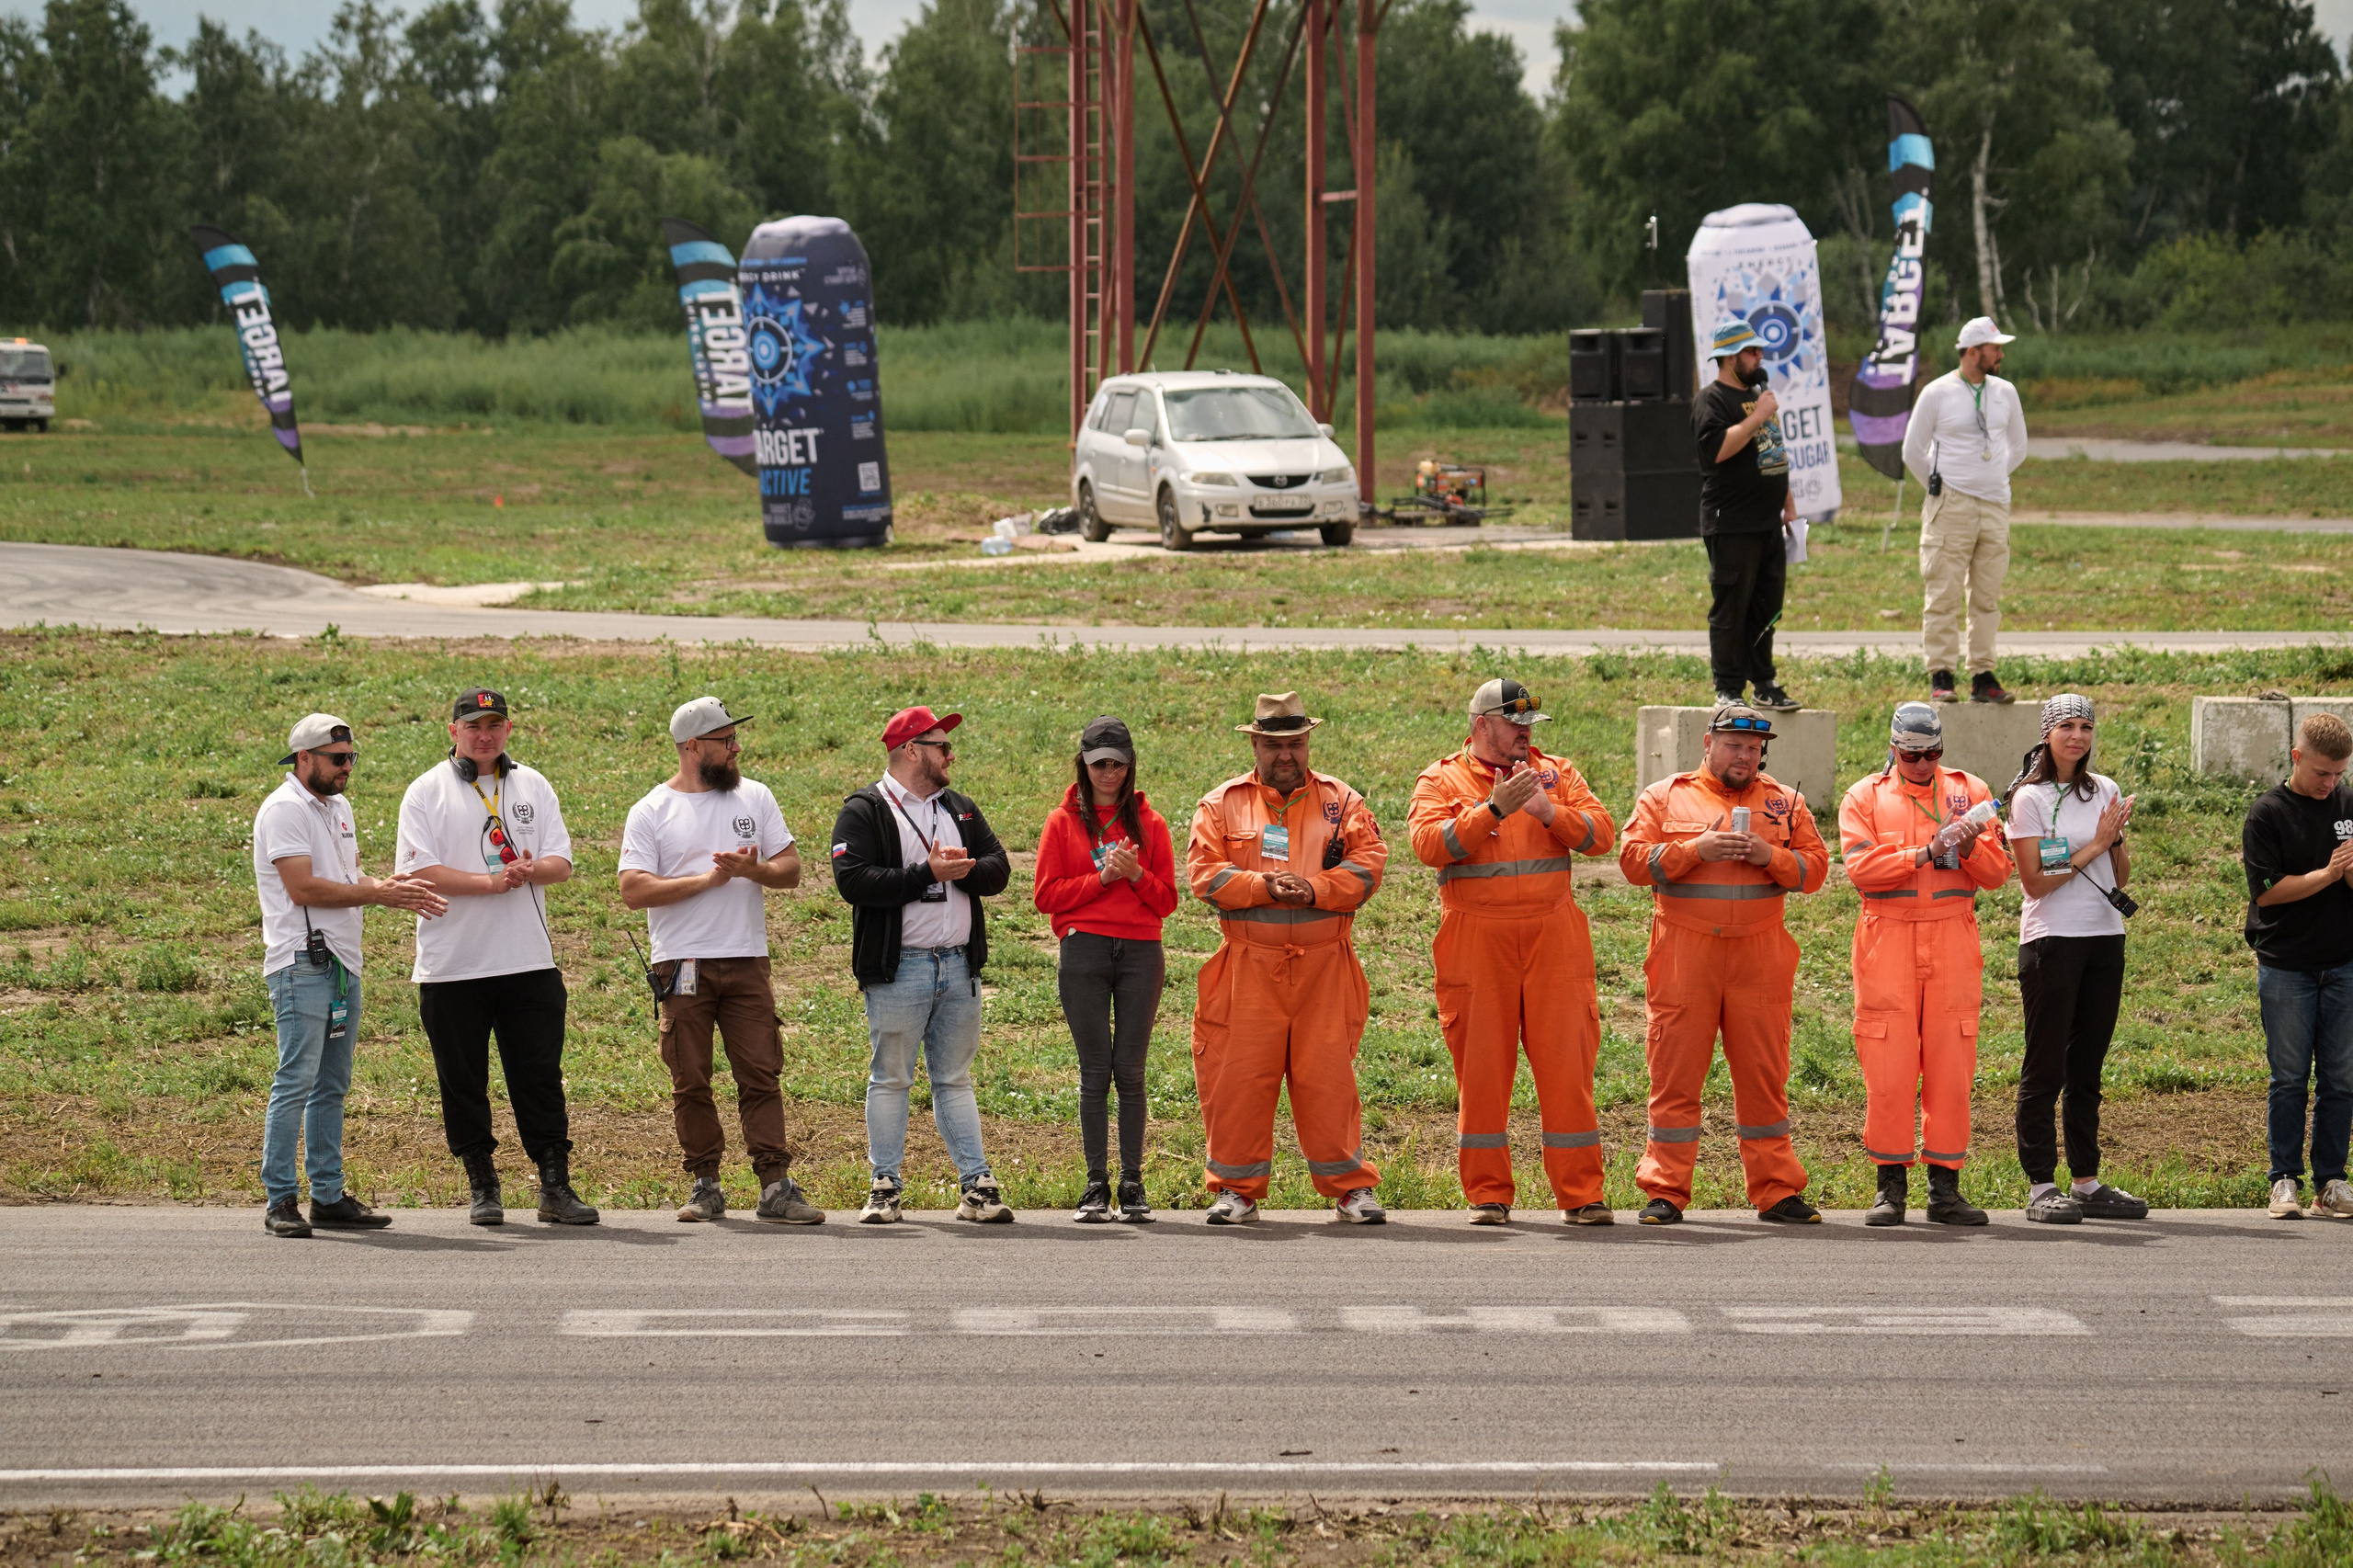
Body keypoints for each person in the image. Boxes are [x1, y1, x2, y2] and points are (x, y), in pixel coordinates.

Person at [1407, 678, 1619, 1224]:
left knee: (1567, 1068)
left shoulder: (1560, 774)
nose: (1526, 734)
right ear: (1481, 726)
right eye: (1514, 725)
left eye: (1531, 726)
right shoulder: (1441, 778)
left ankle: (1582, 1195)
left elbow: (1602, 836)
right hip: (1476, 940)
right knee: (1481, 1071)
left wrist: (1552, 814)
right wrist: (1492, 810)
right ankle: (1488, 1194)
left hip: (1555, 937)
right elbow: (1429, 846)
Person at [394, 687, 597, 1227]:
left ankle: (555, 1184)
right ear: (453, 732)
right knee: (462, 1080)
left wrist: (531, 872)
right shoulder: (425, 792)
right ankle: (482, 1184)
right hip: (453, 966)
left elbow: (562, 863)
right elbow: (418, 873)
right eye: (473, 726)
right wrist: (491, 883)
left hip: (528, 961)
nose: (484, 735)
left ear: (508, 730)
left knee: (538, 1077)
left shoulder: (532, 784)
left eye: (495, 725)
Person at [1188, 691, 1390, 1226]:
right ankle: (1236, 1190)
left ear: (1308, 743)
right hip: (1247, 967)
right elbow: (1204, 876)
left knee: (1328, 1079)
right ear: (1254, 743)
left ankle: (1350, 1188)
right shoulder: (1220, 804)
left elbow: (1370, 864)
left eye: (1295, 744)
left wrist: (1316, 889)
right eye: (1274, 745)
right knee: (1239, 1077)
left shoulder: (1341, 801)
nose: (1286, 755)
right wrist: (1262, 886)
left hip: (1326, 966)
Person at [1620, 703, 1827, 1225]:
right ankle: (1665, 1190)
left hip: (1761, 954)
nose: (1746, 756)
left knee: (1764, 1076)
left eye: (1755, 749)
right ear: (1708, 744)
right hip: (1684, 952)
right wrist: (1695, 849)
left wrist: (1769, 857)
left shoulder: (1784, 802)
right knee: (1675, 1074)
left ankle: (1777, 1190)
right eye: (1735, 745)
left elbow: (1816, 870)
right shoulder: (1665, 795)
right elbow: (1630, 862)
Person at [619, 697, 821, 1226]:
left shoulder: (755, 797)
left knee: (760, 1073)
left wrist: (752, 873)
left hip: (747, 960)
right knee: (691, 1078)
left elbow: (792, 868)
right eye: (725, 741)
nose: (736, 749)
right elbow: (633, 888)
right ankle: (705, 1184)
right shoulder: (651, 810)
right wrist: (707, 881)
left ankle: (775, 1185)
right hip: (681, 965)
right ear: (692, 747)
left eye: (735, 739)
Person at [252, 713, 448, 1237]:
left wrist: (388, 886)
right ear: (304, 759)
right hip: (301, 962)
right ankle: (280, 1199)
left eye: (351, 758)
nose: (346, 768)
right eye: (337, 759)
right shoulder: (284, 810)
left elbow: (345, 877)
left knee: (331, 1084)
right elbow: (304, 888)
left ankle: (328, 1195)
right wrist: (378, 892)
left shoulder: (339, 808)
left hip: (339, 961)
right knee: (296, 1080)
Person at [830, 705, 1016, 1225]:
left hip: (957, 965)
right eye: (939, 744)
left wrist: (966, 870)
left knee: (954, 1079)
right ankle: (884, 1186)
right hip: (899, 968)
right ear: (911, 750)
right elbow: (854, 881)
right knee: (891, 1078)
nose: (949, 752)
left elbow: (999, 867)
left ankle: (976, 1187)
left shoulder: (959, 807)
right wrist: (924, 874)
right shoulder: (865, 809)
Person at [1837, 702, 2012, 1228]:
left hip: (1952, 934)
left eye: (1933, 754)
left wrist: (1970, 844)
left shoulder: (1971, 792)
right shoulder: (1864, 797)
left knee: (1950, 1064)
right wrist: (1925, 852)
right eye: (1913, 755)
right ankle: (1890, 1187)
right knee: (1887, 1064)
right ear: (1894, 749)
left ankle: (1945, 1189)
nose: (1923, 764)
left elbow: (2000, 871)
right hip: (1886, 935)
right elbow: (1861, 869)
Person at [2003, 694, 2147, 1223]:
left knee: (2088, 1069)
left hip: (2105, 937)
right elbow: (2037, 883)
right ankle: (2042, 1186)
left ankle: (2086, 1182)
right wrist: (2094, 845)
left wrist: (2116, 842)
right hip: (2052, 941)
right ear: (2047, 734)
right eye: (2067, 726)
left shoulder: (2103, 788)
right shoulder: (2031, 798)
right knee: (2046, 1068)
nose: (2078, 736)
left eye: (2086, 726)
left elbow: (2120, 877)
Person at [1033, 715, 1179, 1222]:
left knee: (1132, 1071)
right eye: (1099, 764)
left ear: (1130, 764)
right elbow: (1046, 897)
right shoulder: (1062, 822)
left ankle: (1132, 1183)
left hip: (1141, 952)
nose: (1109, 773)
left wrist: (1136, 874)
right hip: (1084, 950)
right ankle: (1096, 1184)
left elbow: (1166, 904)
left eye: (1117, 763)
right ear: (1084, 764)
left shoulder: (1152, 825)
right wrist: (1100, 879)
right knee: (1095, 1071)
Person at [2242, 712, 2353, 1220]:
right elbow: (2268, 893)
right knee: (2288, 1077)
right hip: (2287, 965)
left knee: (2341, 1078)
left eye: (2338, 774)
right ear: (2296, 757)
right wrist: (2330, 875)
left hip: (2344, 964)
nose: (2330, 783)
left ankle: (2331, 1180)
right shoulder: (2267, 813)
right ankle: (2283, 1178)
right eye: (2321, 773)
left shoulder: (2350, 804)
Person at [1902, 317, 2028, 706]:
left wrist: (1989, 479)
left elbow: (2018, 447)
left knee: (1987, 596)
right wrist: (1945, 487)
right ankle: (1941, 674)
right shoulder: (1938, 392)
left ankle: (1983, 675)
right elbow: (1912, 451)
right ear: (1974, 352)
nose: (2001, 355)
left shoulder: (2005, 392)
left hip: (1995, 505)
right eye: (1995, 349)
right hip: (1950, 506)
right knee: (1943, 592)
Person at [1692, 317, 1802, 713]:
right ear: (1729, 356)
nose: (1759, 358)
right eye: (1752, 352)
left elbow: (1773, 453)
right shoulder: (1712, 400)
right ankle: (1728, 687)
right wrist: (1759, 415)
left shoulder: (1759, 396)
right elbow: (1717, 450)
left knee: (1766, 604)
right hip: (1731, 521)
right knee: (1732, 605)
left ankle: (1765, 682)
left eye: (1759, 352)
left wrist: (1787, 503)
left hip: (1767, 520)